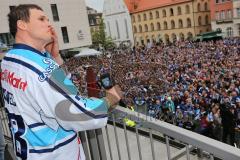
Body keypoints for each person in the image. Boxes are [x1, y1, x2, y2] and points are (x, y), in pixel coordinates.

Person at [1, 4, 122, 160]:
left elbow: (58, 91)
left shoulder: (9, 60)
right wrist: (109, 99)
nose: (49, 23)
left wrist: (55, 57)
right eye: (41, 19)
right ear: (22, 24)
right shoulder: (42, 69)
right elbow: (80, 114)